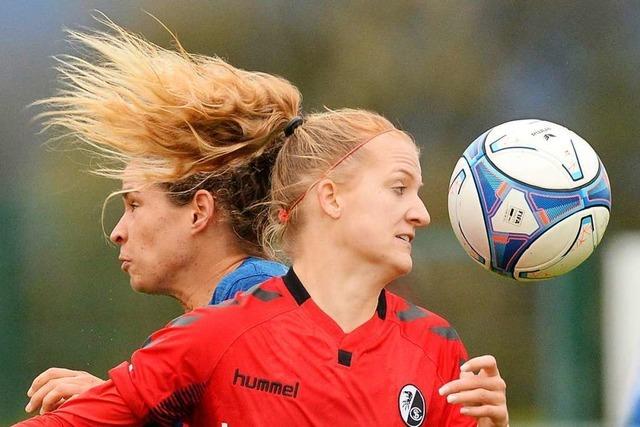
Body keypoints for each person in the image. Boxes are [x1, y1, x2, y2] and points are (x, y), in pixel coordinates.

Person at [17, 108, 509, 426]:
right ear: (330, 198)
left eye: (134, 205)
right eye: (399, 188)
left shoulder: (438, 346)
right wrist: (122, 403)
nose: (421, 213)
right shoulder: (214, 336)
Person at [23, 16, 298, 415]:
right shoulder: (229, 310)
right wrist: (118, 403)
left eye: (135, 204)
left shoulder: (258, 296)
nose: (118, 232)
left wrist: (123, 407)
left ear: (198, 212)